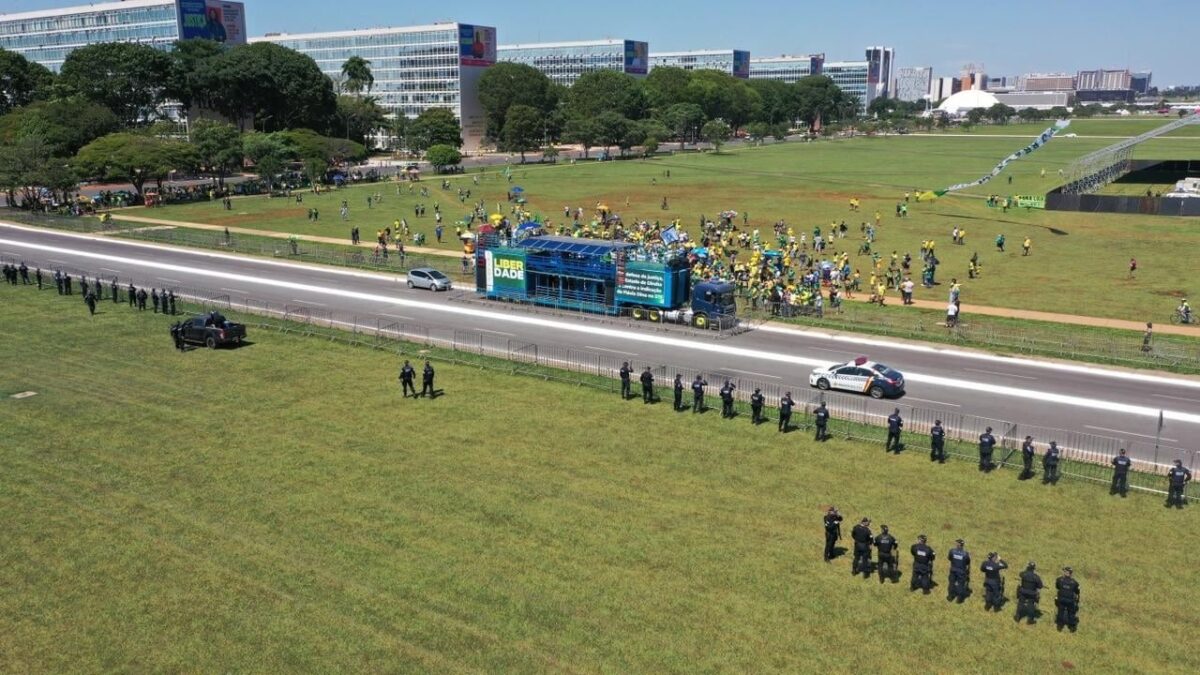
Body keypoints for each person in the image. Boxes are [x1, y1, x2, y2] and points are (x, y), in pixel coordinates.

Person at [1054, 567, 1080, 632]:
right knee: (1071, 613)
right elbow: (1077, 591)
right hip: (1070, 601)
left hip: (1061, 599)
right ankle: (1071, 627)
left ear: (1065, 573)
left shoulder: (1059, 579)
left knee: (1060, 611)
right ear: (1071, 574)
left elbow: (1057, 587)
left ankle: (1059, 626)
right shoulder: (1074, 582)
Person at [947, 539, 971, 603]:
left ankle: (950, 597)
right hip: (961, 572)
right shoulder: (965, 554)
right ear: (962, 545)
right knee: (960, 585)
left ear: (957, 544)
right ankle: (959, 599)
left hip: (953, 570)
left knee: (951, 583)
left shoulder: (952, 551)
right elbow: (967, 562)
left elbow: (949, 558)